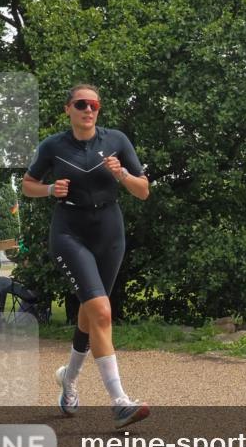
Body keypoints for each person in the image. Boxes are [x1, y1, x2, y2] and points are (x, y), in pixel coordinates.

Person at [22, 84, 151, 429]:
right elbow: (27, 184)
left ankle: (69, 378)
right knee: (102, 310)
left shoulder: (117, 141)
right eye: (81, 104)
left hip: (109, 231)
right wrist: (49, 189)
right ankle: (120, 401)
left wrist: (121, 173)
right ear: (68, 109)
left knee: (91, 311)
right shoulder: (53, 145)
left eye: (94, 104)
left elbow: (143, 190)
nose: (88, 109)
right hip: (69, 232)